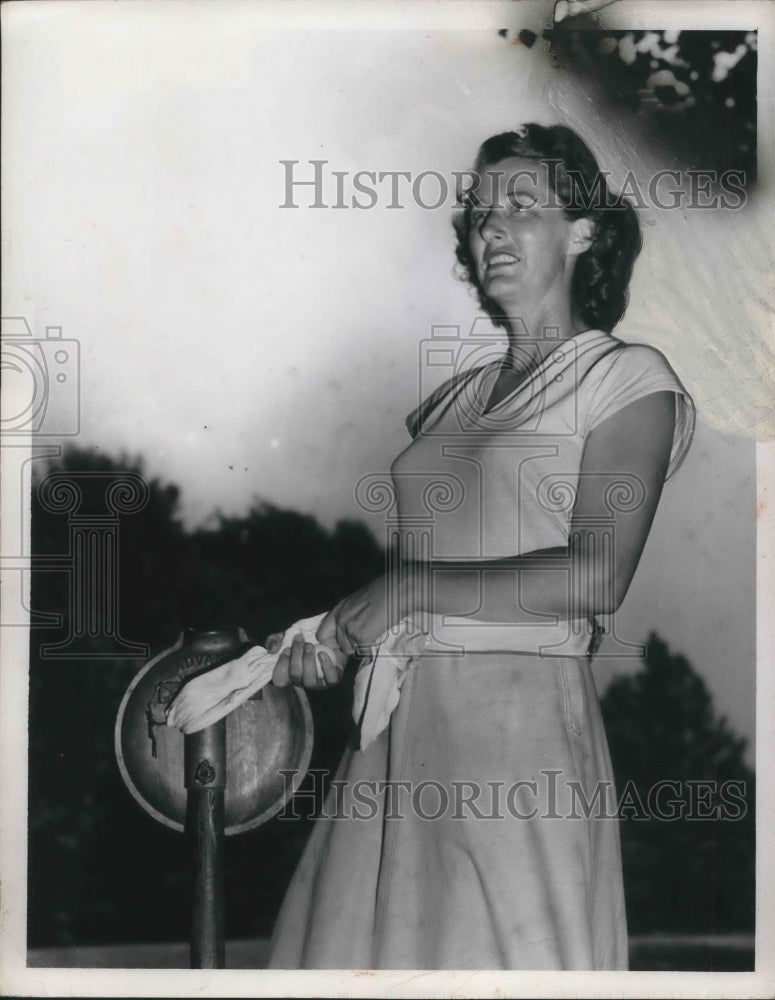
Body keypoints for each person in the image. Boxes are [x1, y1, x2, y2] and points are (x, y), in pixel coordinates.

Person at [264, 123, 695, 970]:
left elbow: (595, 573)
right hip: (394, 732)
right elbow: (422, 577)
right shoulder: (449, 403)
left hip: (517, 732)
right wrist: (338, 636)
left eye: (520, 208)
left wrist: (407, 593)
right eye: (478, 213)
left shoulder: (626, 379)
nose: (488, 229)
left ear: (585, 233)